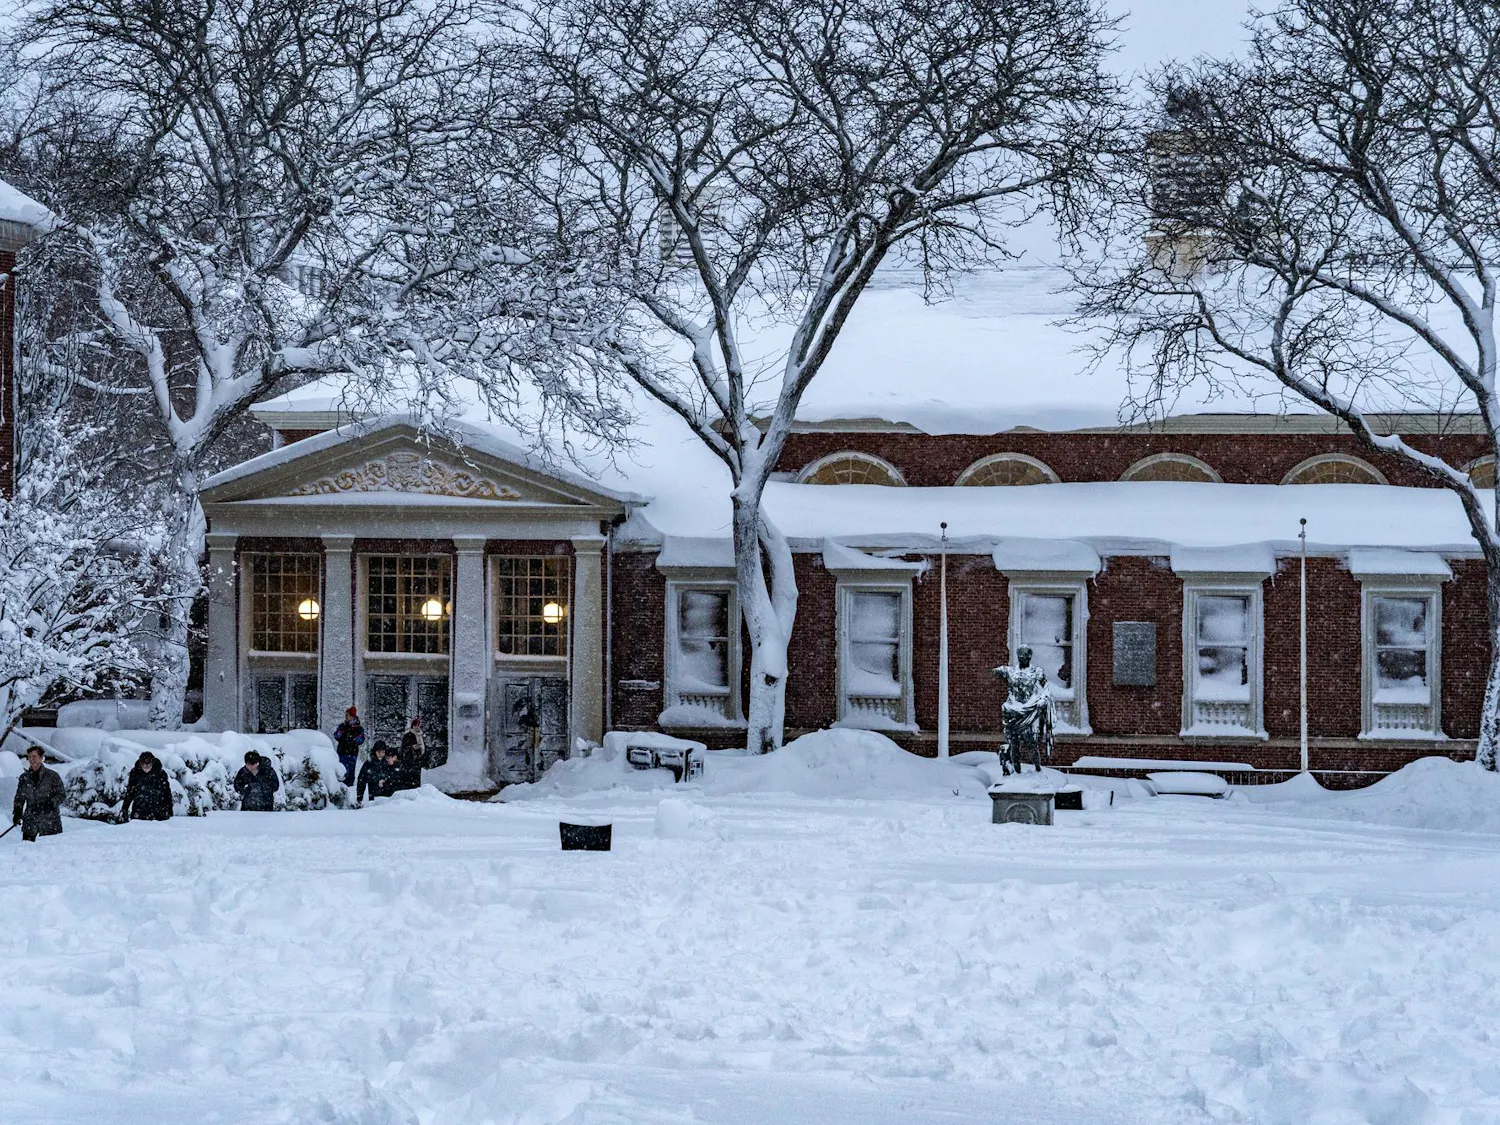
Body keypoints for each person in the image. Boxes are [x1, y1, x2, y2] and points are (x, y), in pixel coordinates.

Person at [12, 745, 64, 841]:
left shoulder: (52, 776)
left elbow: (61, 795)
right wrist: (17, 812)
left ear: (41, 758)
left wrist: (50, 803)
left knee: (49, 853)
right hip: (30, 823)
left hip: (50, 822)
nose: (32, 759)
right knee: (27, 851)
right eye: (29, 757)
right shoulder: (24, 778)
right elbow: (19, 797)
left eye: (34, 756)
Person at [119, 751, 173, 822]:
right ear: (140, 764)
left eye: (148, 765)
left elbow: (166, 793)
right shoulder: (135, 773)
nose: (146, 768)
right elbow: (130, 792)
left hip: (158, 811)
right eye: (144, 765)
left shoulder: (160, 774)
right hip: (139, 810)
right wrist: (125, 809)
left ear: (152, 763)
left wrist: (169, 810)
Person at [332, 705, 365, 787]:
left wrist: (356, 739)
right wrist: (339, 734)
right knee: (343, 771)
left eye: (348, 715)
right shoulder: (342, 726)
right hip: (342, 752)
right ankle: (342, 786)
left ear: (352, 716)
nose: (346, 717)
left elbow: (361, 739)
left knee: (351, 771)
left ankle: (350, 786)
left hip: (352, 753)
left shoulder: (358, 728)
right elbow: (337, 736)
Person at [397, 716, 425, 791]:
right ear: (413, 726)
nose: (417, 727)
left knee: (416, 782)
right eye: (416, 725)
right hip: (409, 763)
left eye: (419, 725)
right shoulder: (408, 736)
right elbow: (404, 749)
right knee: (409, 783)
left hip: (417, 763)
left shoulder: (421, 736)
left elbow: (423, 748)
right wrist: (412, 748)